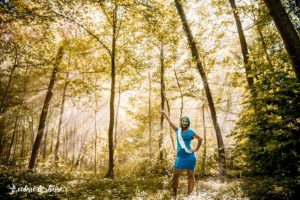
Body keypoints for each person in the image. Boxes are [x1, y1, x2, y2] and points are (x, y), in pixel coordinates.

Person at [160, 109, 203, 198]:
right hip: (180, 157)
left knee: (191, 176)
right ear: (181, 122)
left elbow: (200, 139)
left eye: (186, 121)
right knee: (175, 176)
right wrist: (165, 114)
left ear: (188, 123)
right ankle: (174, 195)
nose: (184, 122)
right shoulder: (178, 130)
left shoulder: (191, 132)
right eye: (183, 121)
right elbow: (170, 122)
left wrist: (196, 149)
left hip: (190, 157)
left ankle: (189, 196)